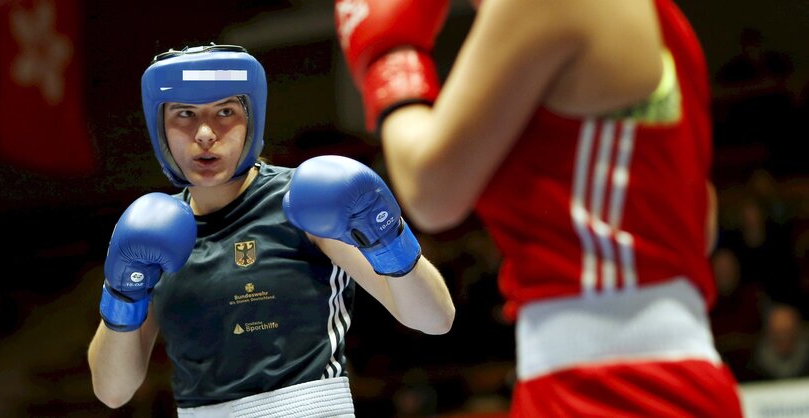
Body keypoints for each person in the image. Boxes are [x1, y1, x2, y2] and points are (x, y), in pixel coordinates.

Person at [334, 0, 744, 416]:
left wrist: (390, 61)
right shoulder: (667, 21)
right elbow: (700, 220)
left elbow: (430, 192)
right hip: (660, 372)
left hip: (611, 386)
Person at [87, 44, 455, 417]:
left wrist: (386, 234)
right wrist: (122, 293)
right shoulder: (150, 234)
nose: (204, 133)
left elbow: (435, 319)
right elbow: (112, 392)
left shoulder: (303, 204)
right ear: (159, 127)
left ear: (253, 118)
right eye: (184, 113)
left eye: (225, 111)